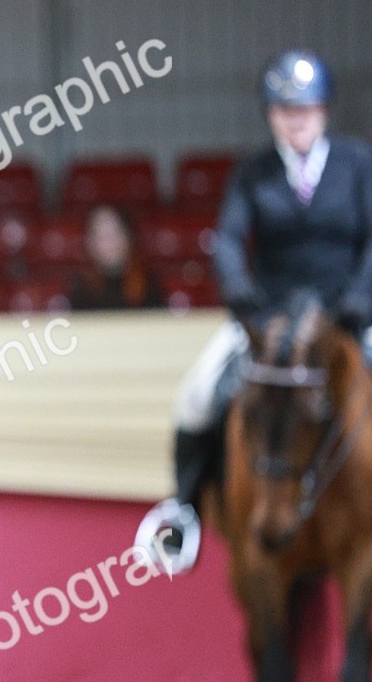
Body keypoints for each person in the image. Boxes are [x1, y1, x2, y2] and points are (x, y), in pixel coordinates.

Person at [134, 49, 372, 574]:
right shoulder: (254, 173)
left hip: (349, 312)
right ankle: (185, 513)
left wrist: (360, 298)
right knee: (196, 396)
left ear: (323, 112)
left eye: (305, 111)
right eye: (286, 112)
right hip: (272, 319)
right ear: (272, 115)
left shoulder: (358, 164)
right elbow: (228, 240)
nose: (296, 121)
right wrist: (244, 301)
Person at [68, 205, 163, 310]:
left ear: (128, 238)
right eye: (100, 236)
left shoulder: (148, 283)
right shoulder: (80, 286)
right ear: (89, 243)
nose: (109, 243)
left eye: (114, 233)